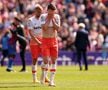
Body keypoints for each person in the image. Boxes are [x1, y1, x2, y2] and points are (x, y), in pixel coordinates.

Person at [27, 4, 49, 83]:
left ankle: (44, 76)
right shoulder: (30, 20)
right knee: (35, 59)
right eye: (38, 11)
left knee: (46, 58)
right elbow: (30, 33)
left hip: (43, 40)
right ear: (35, 11)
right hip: (34, 42)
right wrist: (38, 42)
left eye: (41, 11)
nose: (40, 13)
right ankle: (34, 78)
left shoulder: (44, 18)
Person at [41, 3, 61, 86]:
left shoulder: (57, 17)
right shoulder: (43, 17)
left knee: (53, 61)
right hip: (45, 40)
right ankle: (44, 76)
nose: (53, 12)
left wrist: (52, 20)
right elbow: (44, 28)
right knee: (46, 60)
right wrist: (49, 19)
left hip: (54, 40)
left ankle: (51, 81)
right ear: (48, 10)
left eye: (54, 10)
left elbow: (58, 28)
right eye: (52, 10)